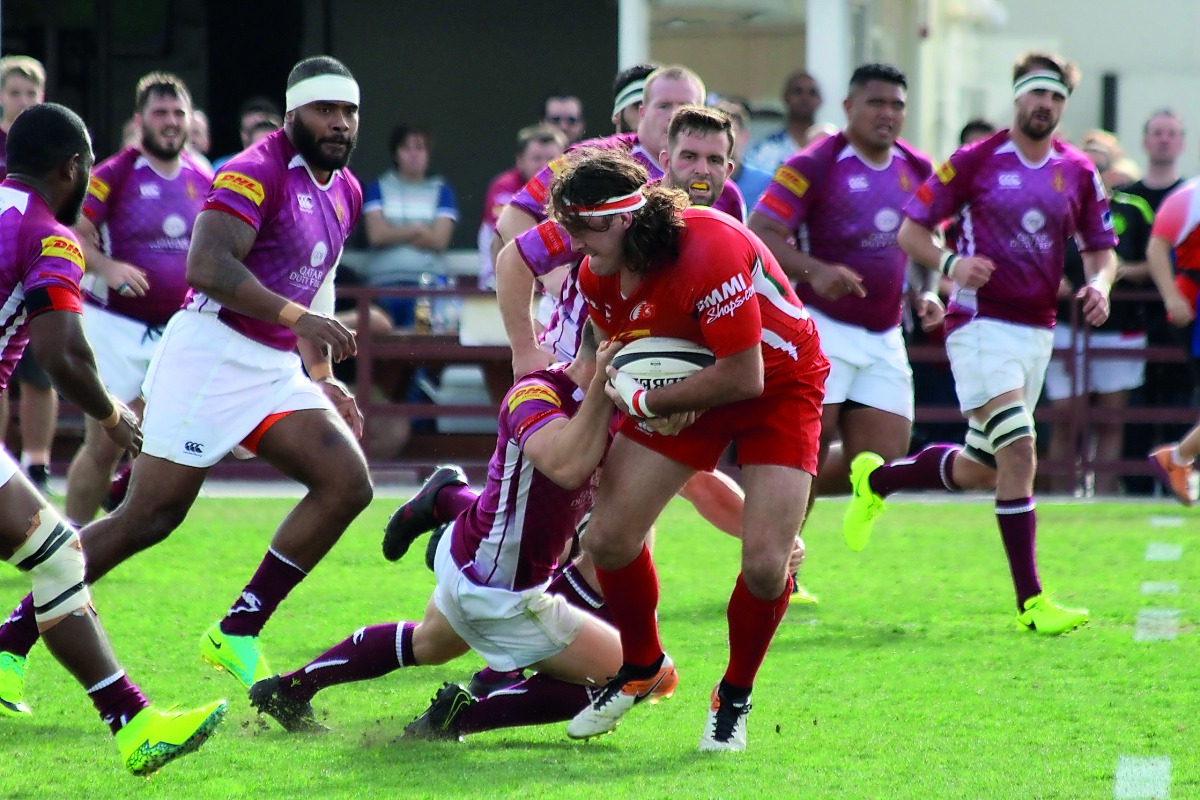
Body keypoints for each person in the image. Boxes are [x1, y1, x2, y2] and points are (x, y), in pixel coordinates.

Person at [0, 55, 372, 700]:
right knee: (148, 517)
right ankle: (11, 638)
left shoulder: (346, 189)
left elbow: (322, 283)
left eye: (349, 112)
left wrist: (321, 374)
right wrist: (299, 320)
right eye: (325, 110)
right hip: (211, 355)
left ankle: (239, 628)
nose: (339, 124)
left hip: (274, 364)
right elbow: (207, 266)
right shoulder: (253, 170)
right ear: (293, 114)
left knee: (347, 484)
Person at [542, 148, 827, 752]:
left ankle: (734, 695)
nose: (574, 244)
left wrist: (650, 403)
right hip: (698, 379)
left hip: (779, 383)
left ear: (621, 219)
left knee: (766, 565)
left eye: (583, 228)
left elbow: (745, 376)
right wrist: (638, 393)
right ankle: (642, 666)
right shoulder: (596, 274)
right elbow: (619, 357)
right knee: (609, 538)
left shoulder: (710, 248)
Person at [841, 51, 1117, 635]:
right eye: (1035, 92)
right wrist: (951, 263)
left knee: (980, 469)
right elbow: (912, 230)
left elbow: (1100, 246)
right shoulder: (974, 161)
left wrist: (1099, 283)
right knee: (1020, 450)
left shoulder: (1080, 172)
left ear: (1063, 106)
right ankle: (1032, 603)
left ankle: (878, 480)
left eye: (1056, 97)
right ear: (1017, 96)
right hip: (979, 324)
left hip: (1037, 331)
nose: (1044, 104)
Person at [249, 322, 633, 739]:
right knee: (632, 674)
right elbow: (566, 467)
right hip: (495, 587)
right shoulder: (537, 394)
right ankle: (458, 719)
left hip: (475, 555)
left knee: (429, 644)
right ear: (611, 354)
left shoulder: (613, 406)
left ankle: (288, 689)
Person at [0, 101, 226, 775]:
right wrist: (110, 415)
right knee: (60, 556)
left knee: (59, 556)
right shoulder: (47, 235)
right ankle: (133, 724)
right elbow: (64, 352)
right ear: (71, 169)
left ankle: (132, 723)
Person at [748, 63, 934, 499]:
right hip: (821, 325)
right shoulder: (815, 162)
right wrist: (817, 270)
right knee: (806, 447)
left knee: (881, 463)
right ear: (849, 106)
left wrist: (926, 289)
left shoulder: (917, 166)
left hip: (886, 331)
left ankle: (768, 491)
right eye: (875, 103)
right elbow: (760, 232)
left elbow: (927, 237)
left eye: (896, 105)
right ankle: (781, 552)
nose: (886, 113)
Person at [63, 71, 212, 527]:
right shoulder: (112, 174)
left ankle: (121, 498)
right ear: (140, 119)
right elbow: (67, 233)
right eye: (160, 113)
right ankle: (70, 546)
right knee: (105, 443)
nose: (170, 122)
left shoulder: (205, 176)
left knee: (171, 430)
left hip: (177, 328)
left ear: (190, 120)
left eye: (177, 113)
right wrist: (107, 267)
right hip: (113, 326)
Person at [1043, 133, 1155, 495]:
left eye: (1100, 165)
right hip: (1066, 326)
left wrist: (1122, 273)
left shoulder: (1134, 209)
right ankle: (1061, 499)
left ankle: (1104, 497)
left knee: (1110, 421)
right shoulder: (1055, 210)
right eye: (1085, 165)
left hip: (1120, 328)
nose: (1093, 173)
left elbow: (1156, 260)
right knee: (1065, 419)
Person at [0, 56, 58, 494]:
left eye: (31, 93)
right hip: (4, 276)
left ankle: (37, 467)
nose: (23, 101)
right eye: (15, 92)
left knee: (42, 371)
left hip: (40, 268)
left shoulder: (52, 145)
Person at [361, 123, 458, 327]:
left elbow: (439, 240)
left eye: (420, 147)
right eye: (406, 148)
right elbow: (377, 235)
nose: (414, 154)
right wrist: (417, 230)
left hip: (427, 284)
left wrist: (394, 232)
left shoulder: (442, 190)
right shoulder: (377, 187)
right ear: (396, 153)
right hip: (382, 284)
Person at [477, 124, 567, 290]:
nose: (544, 167)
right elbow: (512, 236)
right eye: (536, 158)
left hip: (554, 278)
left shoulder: (572, 185)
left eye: (551, 160)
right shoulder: (504, 186)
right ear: (520, 160)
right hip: (501, 281)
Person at [742, 71, 822, 174]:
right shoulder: (767, 148)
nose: (804, 98)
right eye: (798, 92)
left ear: (820, 99)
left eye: (812, 93)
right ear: (785, 97)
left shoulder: (830, 146)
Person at [712, 96, 773, 207]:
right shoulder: (696, 178)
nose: (723, 140)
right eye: (716, 132)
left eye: (730, 132)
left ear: (744, 136)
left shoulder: (765, 183)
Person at [210, 95, 282, 170]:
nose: (249, 136)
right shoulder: (225, 167)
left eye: (262, 125)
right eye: (247, 130)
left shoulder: (292, 167)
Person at [611, 63, 657, 134]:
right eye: (638, 105)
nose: (649, 115)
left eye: (662, 107)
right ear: (617, 114)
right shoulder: (591, 145)